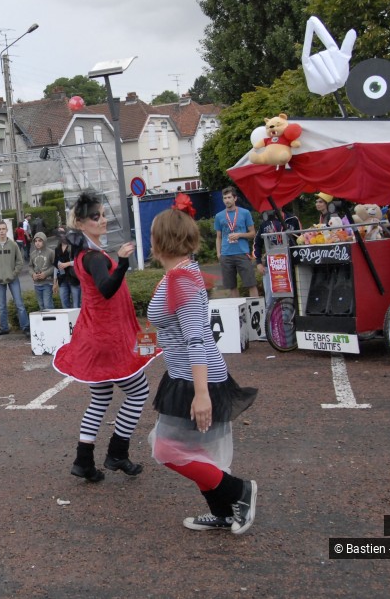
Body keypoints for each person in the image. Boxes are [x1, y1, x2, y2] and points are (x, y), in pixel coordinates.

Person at [146, 201, 259, 534]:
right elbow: (180, 331)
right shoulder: (180, 273)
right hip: (187, 375)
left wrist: (201, 394)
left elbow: (196, 338)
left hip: (198, 378)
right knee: (191, 449)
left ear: (161, 241)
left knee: (165, 448)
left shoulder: (180, 279)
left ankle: (240, 491)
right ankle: (223, 512)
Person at [52, 191, 157, 483]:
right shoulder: (95, 257)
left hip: (95, 335)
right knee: (138, 392)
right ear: (83, 224)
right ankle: (117, 452)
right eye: (96, 216)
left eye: (103, 214)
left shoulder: (86, 254)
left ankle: (83, 461)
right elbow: (107, 288)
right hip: (108, 338)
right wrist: (122, 262)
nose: (103, 219)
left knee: (100, 397)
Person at [214, 186, 258, 298]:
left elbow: (252, 233)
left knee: (251, 284)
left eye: (229, 197)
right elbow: (218, 237)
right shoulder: (219, 216)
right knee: (231, 286)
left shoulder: (245, 213)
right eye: (224, 198)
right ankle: (236, 312)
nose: (227, 200)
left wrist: (240, 235)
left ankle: (256, 310)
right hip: (226, 255)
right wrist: (219, 254)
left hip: (242, 253)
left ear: (235, 198)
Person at [0, 221, 30, 338]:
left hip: (13, 279)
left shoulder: (13, 245)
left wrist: (14, 274)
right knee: (1, 306)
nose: (1, 231)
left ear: (7, 230)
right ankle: (4, 328)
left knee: (19, 304)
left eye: (3, 229)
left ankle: (25, 327)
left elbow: (20, 262)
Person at [253, 207, 301, 308]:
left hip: (290, 265)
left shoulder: (292, 219)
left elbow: (300, 239)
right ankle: (271, 322)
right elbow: (257, 244)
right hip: (271, 265)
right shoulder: (265, 222)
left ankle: (289, 320)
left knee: (291, 297)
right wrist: (258, 262)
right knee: (270, 300)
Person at [54, 229, 81, 308]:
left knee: (76, 305)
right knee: (64, 305)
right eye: (60, 234)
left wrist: (67, 264)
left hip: (74, 278)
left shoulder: (73, 247)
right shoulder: (57, 249)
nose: (62, 236)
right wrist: (55, 282)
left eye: (63, 233)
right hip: (62, 279)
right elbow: (56, 266)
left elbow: (79, 260)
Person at [29, 231, 55, 310]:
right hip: (37, 284)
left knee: (47, 305)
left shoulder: (50, 252)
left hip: (47, 283)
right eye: (36, 241)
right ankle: (44, 322)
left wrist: (46, 273)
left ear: (44, 241)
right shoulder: (33, 254)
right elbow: (30, 267)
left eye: (40, 241)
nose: (37, 243)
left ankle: (52, 321)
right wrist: (33, 274)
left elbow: (55, 266)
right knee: (41, 306)